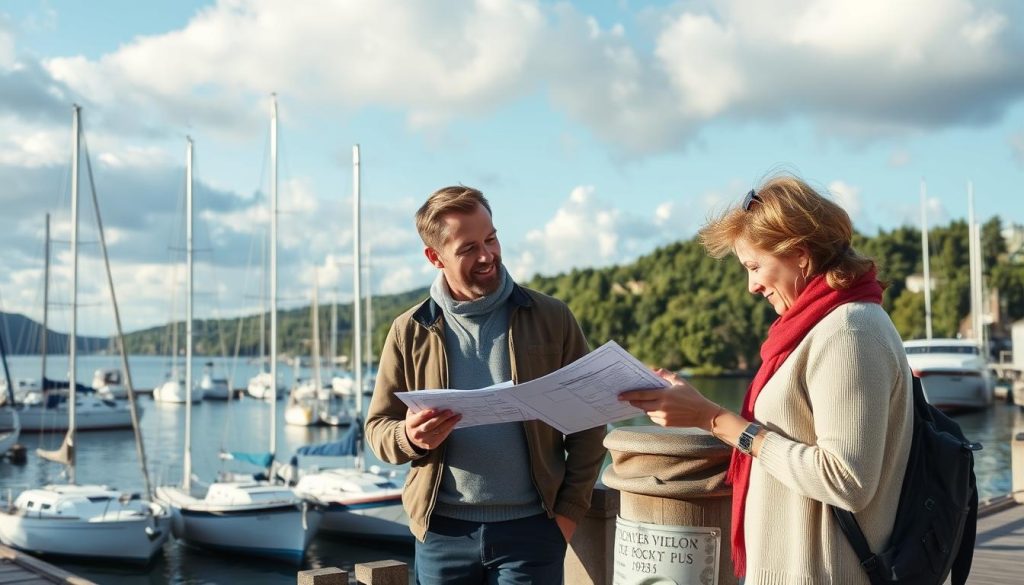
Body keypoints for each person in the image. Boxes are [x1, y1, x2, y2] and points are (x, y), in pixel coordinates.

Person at [620, 175, 914, 584]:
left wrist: (713, 419)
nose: (752, 285)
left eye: (755, 266)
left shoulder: (849, 332)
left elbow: (846, 480)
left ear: (799, 254)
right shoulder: (819, 328)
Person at [365, 185, 606, 584]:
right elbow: (377, 430)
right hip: (442, 534)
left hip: (534, 531)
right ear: (434, 257)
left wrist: (566, 515)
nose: (487, 255)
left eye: (491, 239)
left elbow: (590, 419)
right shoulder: (408, 331)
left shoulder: (552, 316)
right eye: (468, 248)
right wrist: (409, 436)